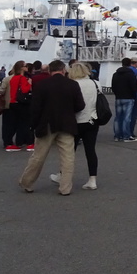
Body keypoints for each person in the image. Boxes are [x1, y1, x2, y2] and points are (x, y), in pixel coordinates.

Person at [17, 60, 86, 195]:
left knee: (38, 156)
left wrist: (34, 125)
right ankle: (65, 187)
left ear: (49, 71)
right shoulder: (72, 84)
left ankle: (27, 182)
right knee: (68, 157)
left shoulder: (42, 85)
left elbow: (35, 108)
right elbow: (80, 105)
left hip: (46, 124)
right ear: (63, 70)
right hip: (67, 123)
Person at [59, 62, 100, 190]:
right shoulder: (96, 83)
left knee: (69, 151)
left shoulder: (72, 85)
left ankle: (63, 175)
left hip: (75, 121)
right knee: (90, 150)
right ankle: (92, 179)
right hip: (92, 120)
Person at [111, 57, 137, 143]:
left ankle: (117, 136)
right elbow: (133, 86)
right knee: (127, 118)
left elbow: (113, 87)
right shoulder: (130, 74)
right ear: (129, 64)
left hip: (118, 97)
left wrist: (117, 94)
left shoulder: (115, 74)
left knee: (118, 117)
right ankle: (126, 136)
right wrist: (133, 94)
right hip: (128, 97)